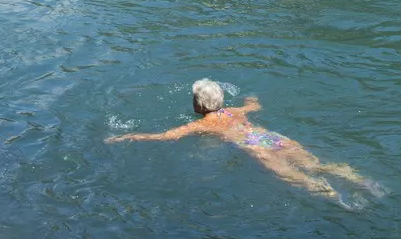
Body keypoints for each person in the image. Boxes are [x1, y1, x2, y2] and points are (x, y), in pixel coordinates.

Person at [108, 79, 382, 206]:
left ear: (198, 104)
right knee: (317, 164)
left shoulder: (203, 124)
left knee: (292, 175)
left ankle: (333, 196)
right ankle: (359, 179)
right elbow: (254, 105)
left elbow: (166, 136)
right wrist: (251, 97)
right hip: (271, 138)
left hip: (255, 147)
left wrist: (127, 135)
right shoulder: (235, 111)